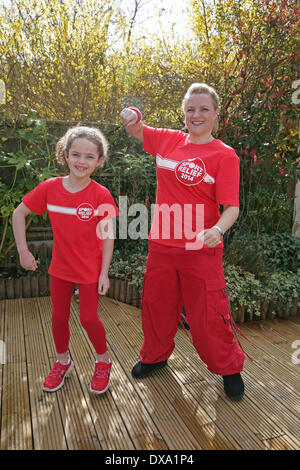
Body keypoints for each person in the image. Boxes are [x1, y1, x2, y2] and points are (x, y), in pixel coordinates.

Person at [120, 84, 249, 401]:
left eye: (204, 109)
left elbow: (231, 207)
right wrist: (131, 114)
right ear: (184, 113)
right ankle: (156, 356)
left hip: (200, 247)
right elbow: (136, 129)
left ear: (216, 113)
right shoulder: (168, 140)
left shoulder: (224, 155)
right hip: (162, 244)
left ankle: (229, 368)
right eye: (191, 109)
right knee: (157, 306)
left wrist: (217, 230)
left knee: (208, 314)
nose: (197, 115)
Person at [12, 126, 118, 394]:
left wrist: (104, 272)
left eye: (89, 157)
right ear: (65, 155)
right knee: (58, 317)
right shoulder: (50, 188)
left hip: (90, 270)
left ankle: (103, 360)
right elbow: (18, 214)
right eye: (76, 154)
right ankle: (63, 362)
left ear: (99, 161)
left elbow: (108, 237)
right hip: (60, 268)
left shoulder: (101, 195)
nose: (81, 162)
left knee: (88, 319)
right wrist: (23, 250)